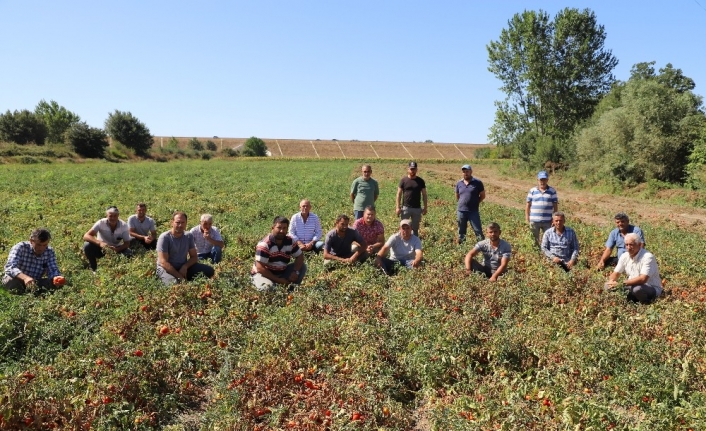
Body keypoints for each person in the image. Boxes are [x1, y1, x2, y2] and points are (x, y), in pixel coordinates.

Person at [156, 211, 215, 285]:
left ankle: (186, 278)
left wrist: (185, 267)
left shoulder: (188, 236)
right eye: (178, 222)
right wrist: (179, 277)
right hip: (166, 269)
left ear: (186, 223)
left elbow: (194, 257)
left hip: (182, 267)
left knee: (210, 271)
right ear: (172, 222)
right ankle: (169, 278)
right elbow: (163, 262)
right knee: (175, 284)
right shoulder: (165, 237)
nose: (180, 225)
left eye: (183, 222)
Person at [252, 216, 307, 291]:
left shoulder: (290, 241)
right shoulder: (265, 244)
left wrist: (295, 272)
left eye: (284, 228)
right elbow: (260, 268)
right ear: (273, 228)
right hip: (263, 274)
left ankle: (291, 289)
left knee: (302, 266)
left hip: (281, 272)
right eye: (279, 227)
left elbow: (300, 256)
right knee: (267, 287)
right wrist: (279, 280)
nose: (281, 231)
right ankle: (266, 284)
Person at [604, 233, 662, 303]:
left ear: (639, 245)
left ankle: (646, 303)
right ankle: (630, 299)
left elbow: (642, 279)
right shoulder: (624, 256)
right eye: (626, 245)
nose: (628, 247)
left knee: (637, 289)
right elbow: (616, 274)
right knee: (607, 285)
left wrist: (620, 284)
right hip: (631, 285)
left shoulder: (647, 257)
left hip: (649, 287)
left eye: (631, 244)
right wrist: (612, 281)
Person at [3, 228, 63, 293]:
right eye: (38, 245)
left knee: (55, 283)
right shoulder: (20, 247)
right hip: (18, 280)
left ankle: (31, 291)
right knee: (10, 281)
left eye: (45, 245)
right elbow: (10, 267)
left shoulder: (49, 252)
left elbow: (53, 269)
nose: (41, 248)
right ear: (31, 241)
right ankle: (25, 292)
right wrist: (25, 278)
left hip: (35, 282)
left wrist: (56, 277)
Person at [82, 206, 133, 272]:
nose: (113, 218)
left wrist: (117, 249)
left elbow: (127, 243)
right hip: (101, 248)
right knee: (87, 245)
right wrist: (100, 243)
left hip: (116, 249)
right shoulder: (101, 223)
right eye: (110, 216)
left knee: (129, 253)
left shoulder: (123, 225)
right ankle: (93, 268)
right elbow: (86, 236)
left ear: (118, 216)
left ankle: (118, 269)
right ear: (106, 216)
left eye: (115, 216)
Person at [526, 170, 559, 248]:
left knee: (548, 241)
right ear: (538, 180)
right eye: (541, 180)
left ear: (547, 180)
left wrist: (554, 219)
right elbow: (528, 205)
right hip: (534, 220)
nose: (542, 182)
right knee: (534, 241)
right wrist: (527, 218)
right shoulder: (532, 191)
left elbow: (555, 206)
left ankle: (546, 255)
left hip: (547, 221)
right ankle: (536, 256)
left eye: (544, 179)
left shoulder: (552, 191)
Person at [455, 164, 486, 243]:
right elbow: (458, 196)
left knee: (478, 230)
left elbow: (482, 195)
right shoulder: (459, 183)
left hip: (473, 211)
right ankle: (461, 247)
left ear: (471, 172)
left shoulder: (478, 183)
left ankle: (482, 247)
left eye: (467, 171)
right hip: (461, 210)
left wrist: (476, 202)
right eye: (464, 172)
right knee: (461, 231)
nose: (466, 173)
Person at [396, 161, 428, 236]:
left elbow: (424, 195)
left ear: (416, 170)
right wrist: (397, 207)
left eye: (414, 169)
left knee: (415, 229)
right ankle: (402, 242)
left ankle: (415, 245)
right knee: (403, 227)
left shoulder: (420, 181)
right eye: (411, 169)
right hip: (405, 208)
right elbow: (399, 194)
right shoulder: (403, 180)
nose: (412, 171)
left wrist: (425, 207)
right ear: (408, 169)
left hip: (417, 209)